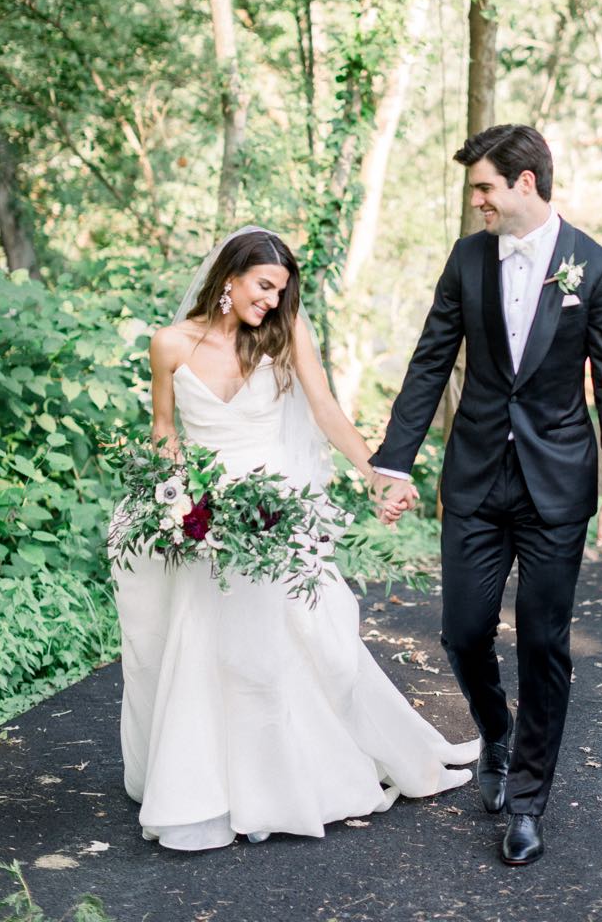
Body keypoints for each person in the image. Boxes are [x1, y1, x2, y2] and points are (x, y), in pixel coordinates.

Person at [112, 226, 477, 851]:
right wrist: (178, 502)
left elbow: (326, 409)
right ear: (229, 277)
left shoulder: (282, 337)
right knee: (209, 646)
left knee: (302, 643)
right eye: (264, 286)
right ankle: (211, 787)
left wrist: (376, 472)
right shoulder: (169, 344)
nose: (273, 302)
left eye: (281, 291)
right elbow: (165, 431)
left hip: (275, 513)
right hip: (203, 518)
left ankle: (292, 777)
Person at [369, 125, 602, 866]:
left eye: (485, 188)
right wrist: (395, 462)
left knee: (546, 644)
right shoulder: (466, 260)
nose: (478, 201)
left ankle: (526, 803)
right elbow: (431, 362)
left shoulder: (595, 266)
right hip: (477, 476)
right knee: (461, 630)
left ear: (526, 183)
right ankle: (495, 731)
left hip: (557, 485)